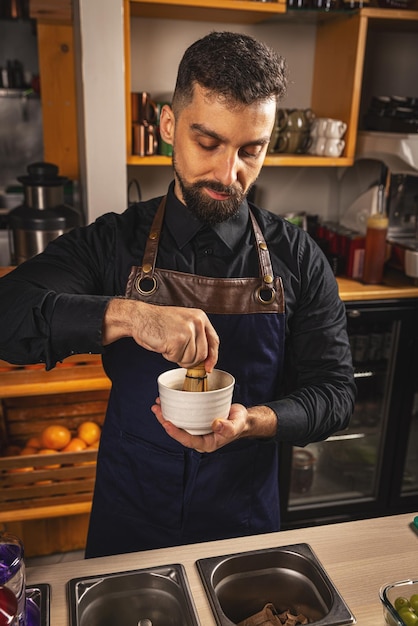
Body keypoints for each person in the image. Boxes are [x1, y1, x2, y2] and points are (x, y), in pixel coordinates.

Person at [0, 32, 356, 558]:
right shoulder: (112, 241)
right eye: (208, 142)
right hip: (130, 516)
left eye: (250, 151)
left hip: (243, 519)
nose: (227, 173)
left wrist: (252, 421)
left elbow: (335, 395)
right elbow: (8, 314)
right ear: (169, 125)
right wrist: (129, 316)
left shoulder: (298, 257)